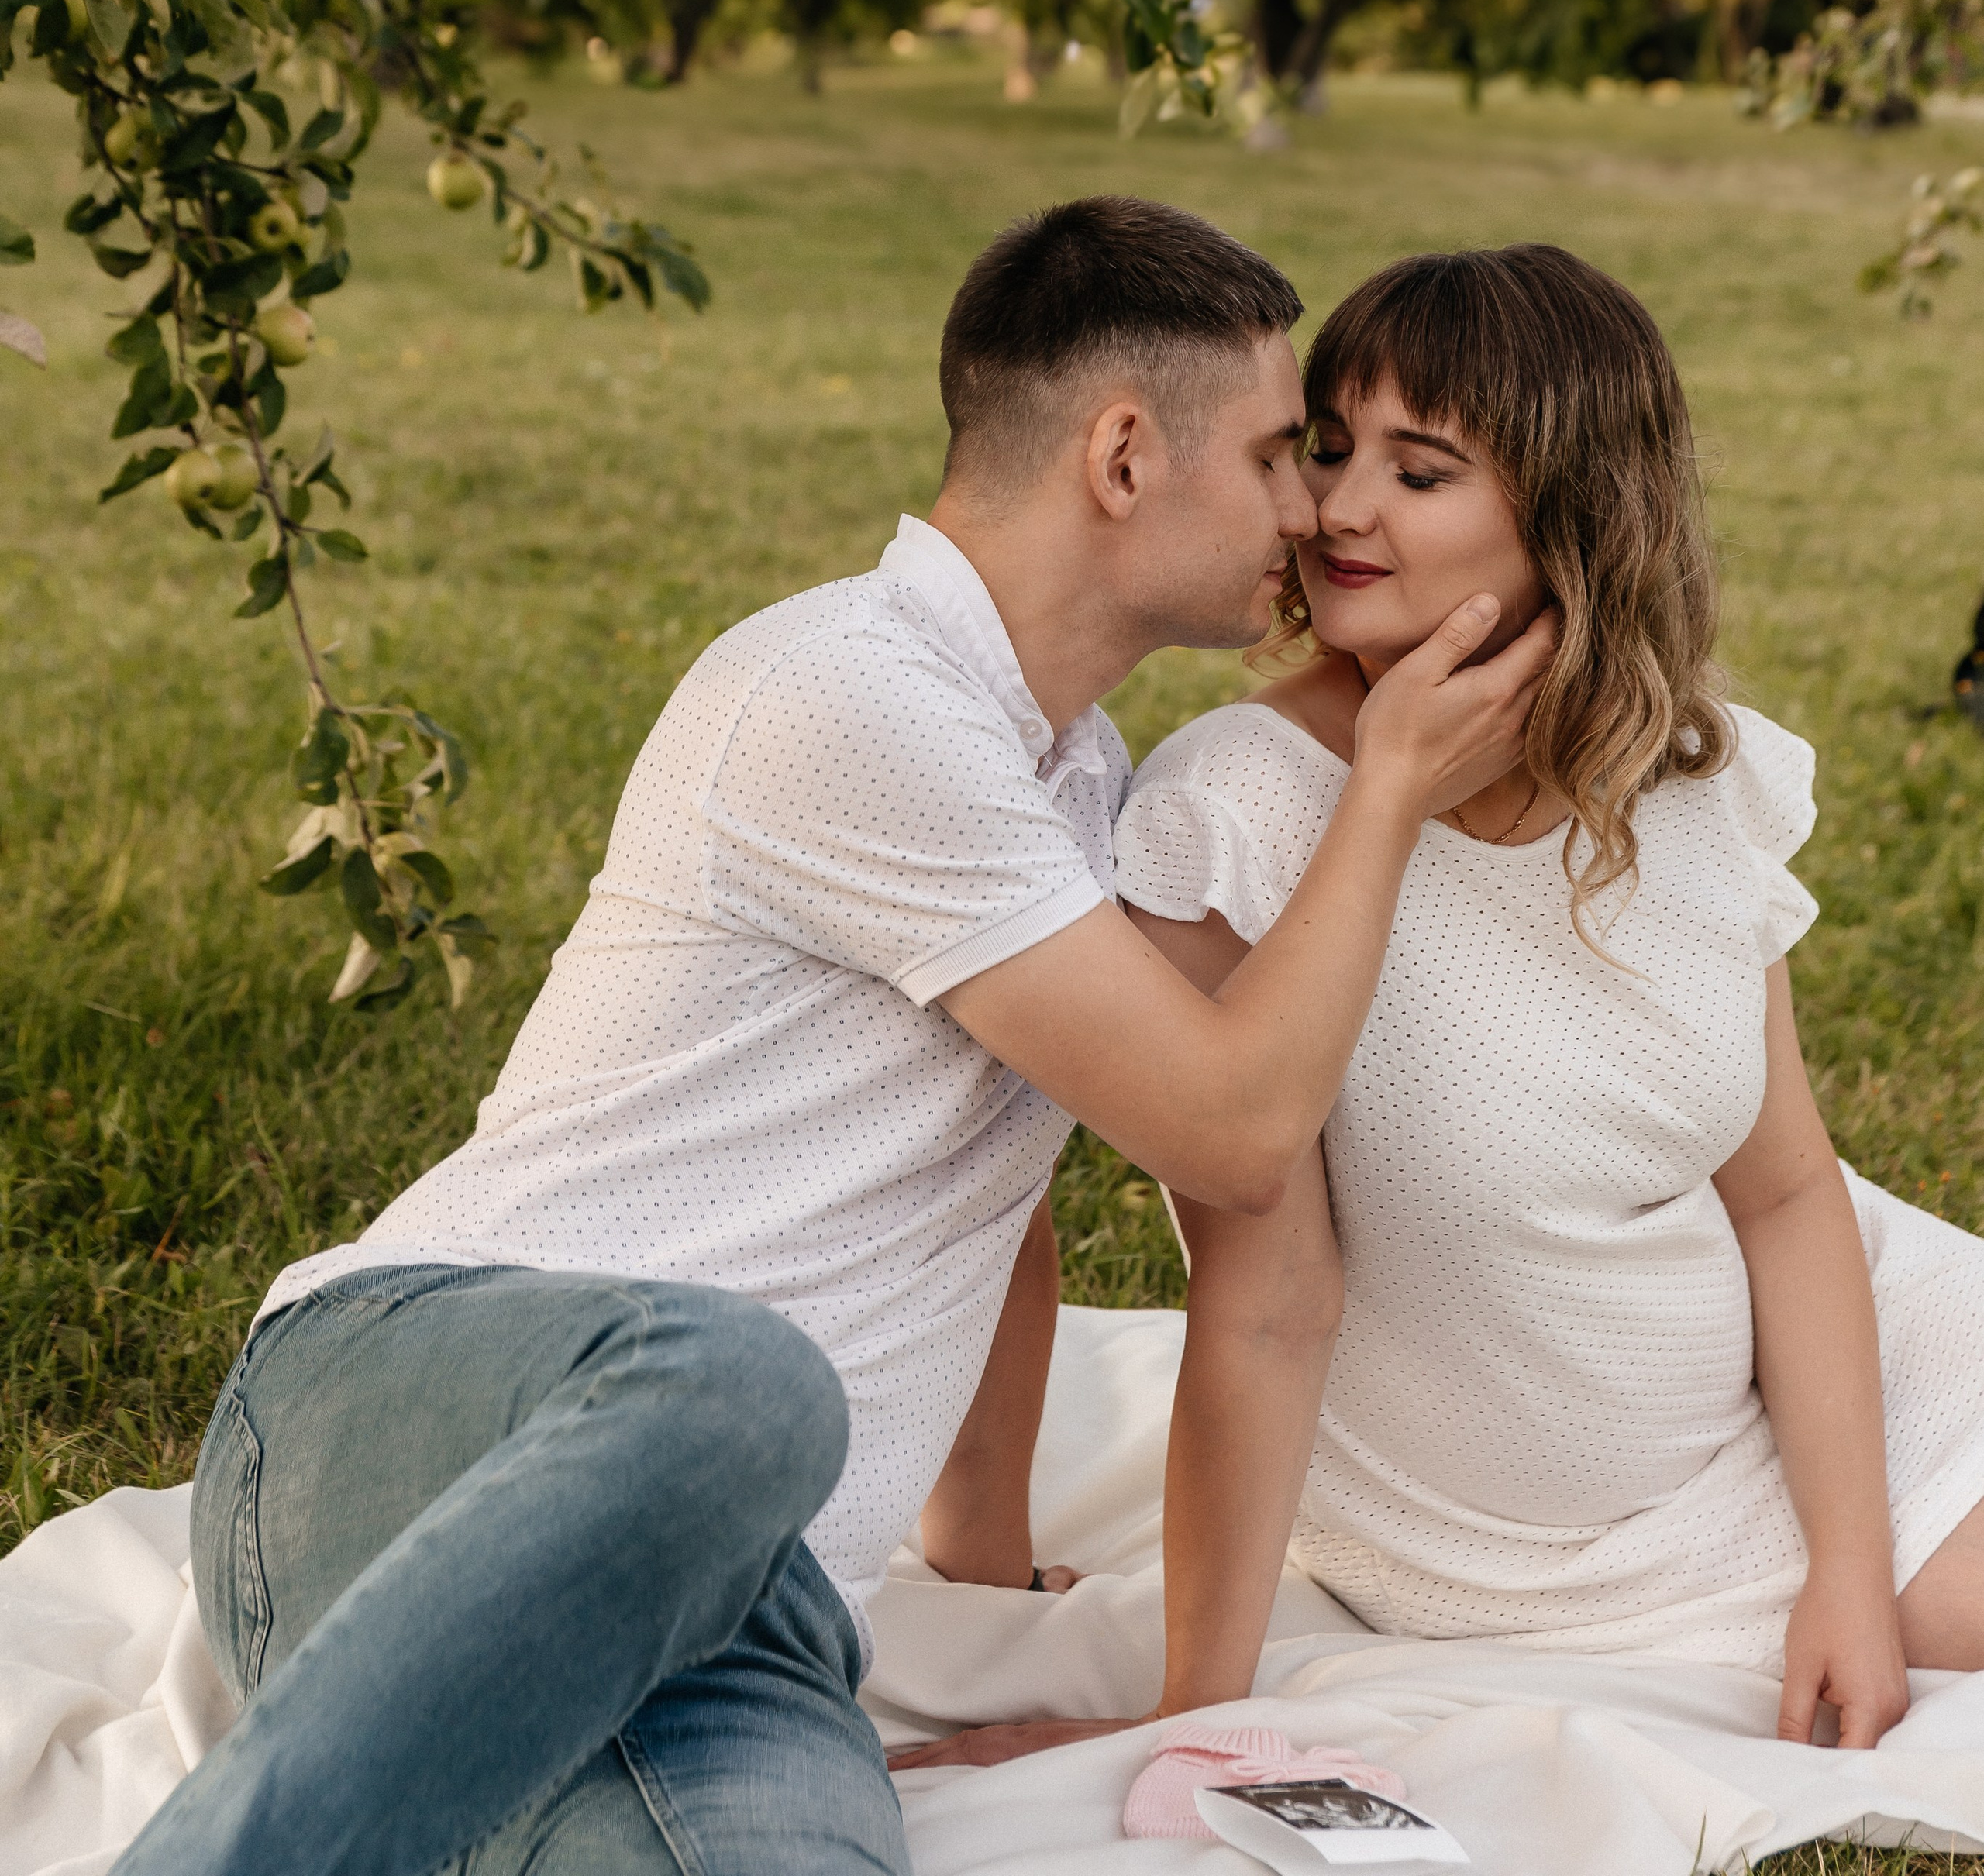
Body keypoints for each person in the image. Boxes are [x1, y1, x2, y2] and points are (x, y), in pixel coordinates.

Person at [113, 196, 1552, 1876]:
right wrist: (1385, 786)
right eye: (1274, 454)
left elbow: (968, 1189)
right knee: (742, 1380)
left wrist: (983, 1550)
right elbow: (1230, 1135)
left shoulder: (1071, 780)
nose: (1309, 510)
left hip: (746, 1607)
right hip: (415, 1409)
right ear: (1120, 456)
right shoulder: (845, 695)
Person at [1109, 241, 1984, 1755]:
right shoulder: (1230, 817)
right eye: (1326, 450)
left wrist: (1847, 1570)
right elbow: (1264, 1310)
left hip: (1835, 1379)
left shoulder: (1689, 776)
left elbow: (1783, 1197)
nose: (1335, 509)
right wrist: (1187, 1719)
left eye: (1420, 468)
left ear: (1571, 509)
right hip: (1528, 1540)